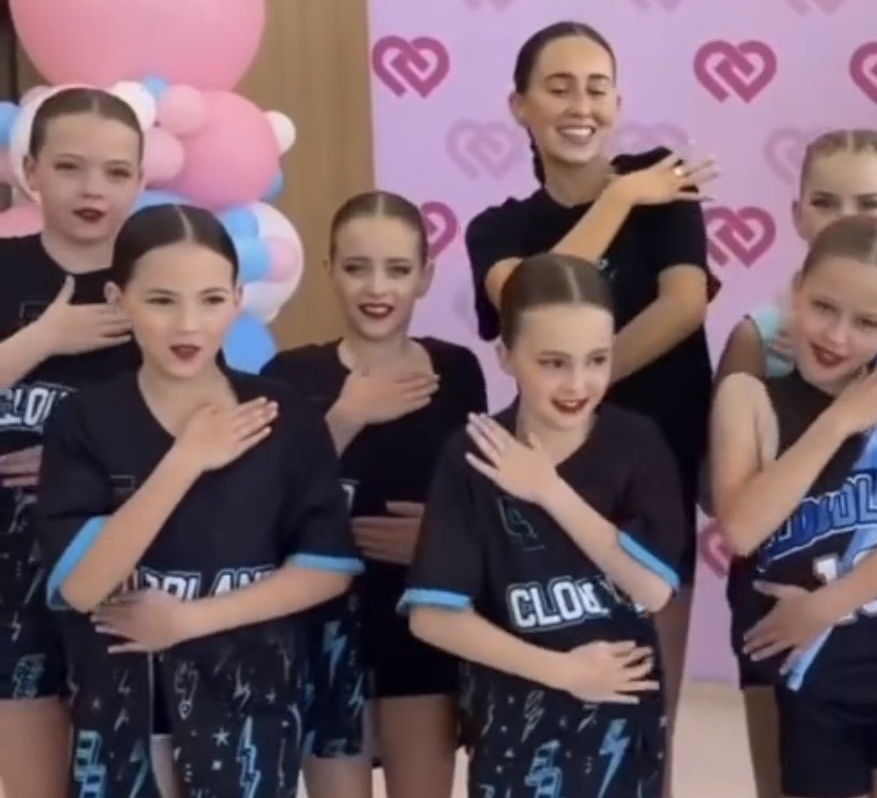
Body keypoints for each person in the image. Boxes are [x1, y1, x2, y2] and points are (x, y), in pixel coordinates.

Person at [463, 21, 718, 795]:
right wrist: (617, 198)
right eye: (559, 86)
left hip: (659, 460)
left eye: (597, 86)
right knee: (547, 696)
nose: (581, 104)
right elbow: (530, 299)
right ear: (519, 106)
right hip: (543, 470)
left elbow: (683, 307)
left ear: (619, 99)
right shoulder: (497, 228)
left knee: (649, 706)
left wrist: (579, 386)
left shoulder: (662, 184)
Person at [34, 204, 362, 798]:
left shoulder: (282, 414)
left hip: (249, 702)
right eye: (162, 301)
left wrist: (191, 620)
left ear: (238, 298)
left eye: (211, 300)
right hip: (123, 708)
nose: (189, 325)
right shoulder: (86, 417)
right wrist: (186, 459)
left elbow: (326, 568)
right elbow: (83, 586)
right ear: (119, 298)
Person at [712, 127, 877, 798]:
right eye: (822, 308)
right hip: (786, 618)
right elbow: (735, 517)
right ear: (797, 291)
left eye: (868, 323)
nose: (839, 334)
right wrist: (841, 419)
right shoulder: (753, 351)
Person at [399, 253, 685, 798]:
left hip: (621, 734)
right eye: (553, 362)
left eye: (597, 359)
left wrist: (548, 490)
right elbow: (433, 618)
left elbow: (650, 588)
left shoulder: (637, 444)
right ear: (506, 355)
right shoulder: (472, 453)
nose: (578, 383)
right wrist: (565, 672)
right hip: (514, 735)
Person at [264, 191, 486, 798]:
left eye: (397, 268)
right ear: (329, 268)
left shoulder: (457, 372)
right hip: (321, 627)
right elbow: (264, 505)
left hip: (422, 626)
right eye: (358, 267)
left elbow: (479, 499)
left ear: (425, 276)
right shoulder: (290, 375)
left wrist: (436, 541)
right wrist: (345, 416)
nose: (376, 287)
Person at [0, 87, 144, 798]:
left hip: (118, 556)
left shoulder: (157, 283)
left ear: (142, 183)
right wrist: (41, 340)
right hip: (8, 563)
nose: (94, 189)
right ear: (29, 170)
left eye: (117, 173)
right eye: (70, 167)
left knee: (116, 764)